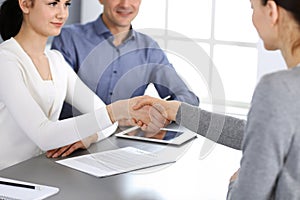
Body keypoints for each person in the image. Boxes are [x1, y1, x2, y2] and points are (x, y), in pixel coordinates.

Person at [134, 0, 300, 198]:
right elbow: (258, 132)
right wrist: (177, 110)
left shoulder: (277, 88)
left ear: (271, 11)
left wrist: (235, 182)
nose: (253, 18)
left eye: (253, 8)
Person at [0, 0, 164, 170]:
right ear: (25, 4)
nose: (62, 14)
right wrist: (117, 110)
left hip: (40, 174)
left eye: (66, 4)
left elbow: (108, 121)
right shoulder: (5, 60)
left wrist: (89, 137)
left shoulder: (56, 61)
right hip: (6, 178)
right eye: (53, 3)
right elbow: (44, 135)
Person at [51, 0, 199, 120]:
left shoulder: (149, 49)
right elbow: (55, 97)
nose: (125, 4)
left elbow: (188, 99)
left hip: (126, 144)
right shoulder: (68, 38)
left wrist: (160, 110)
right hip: (73, 142)